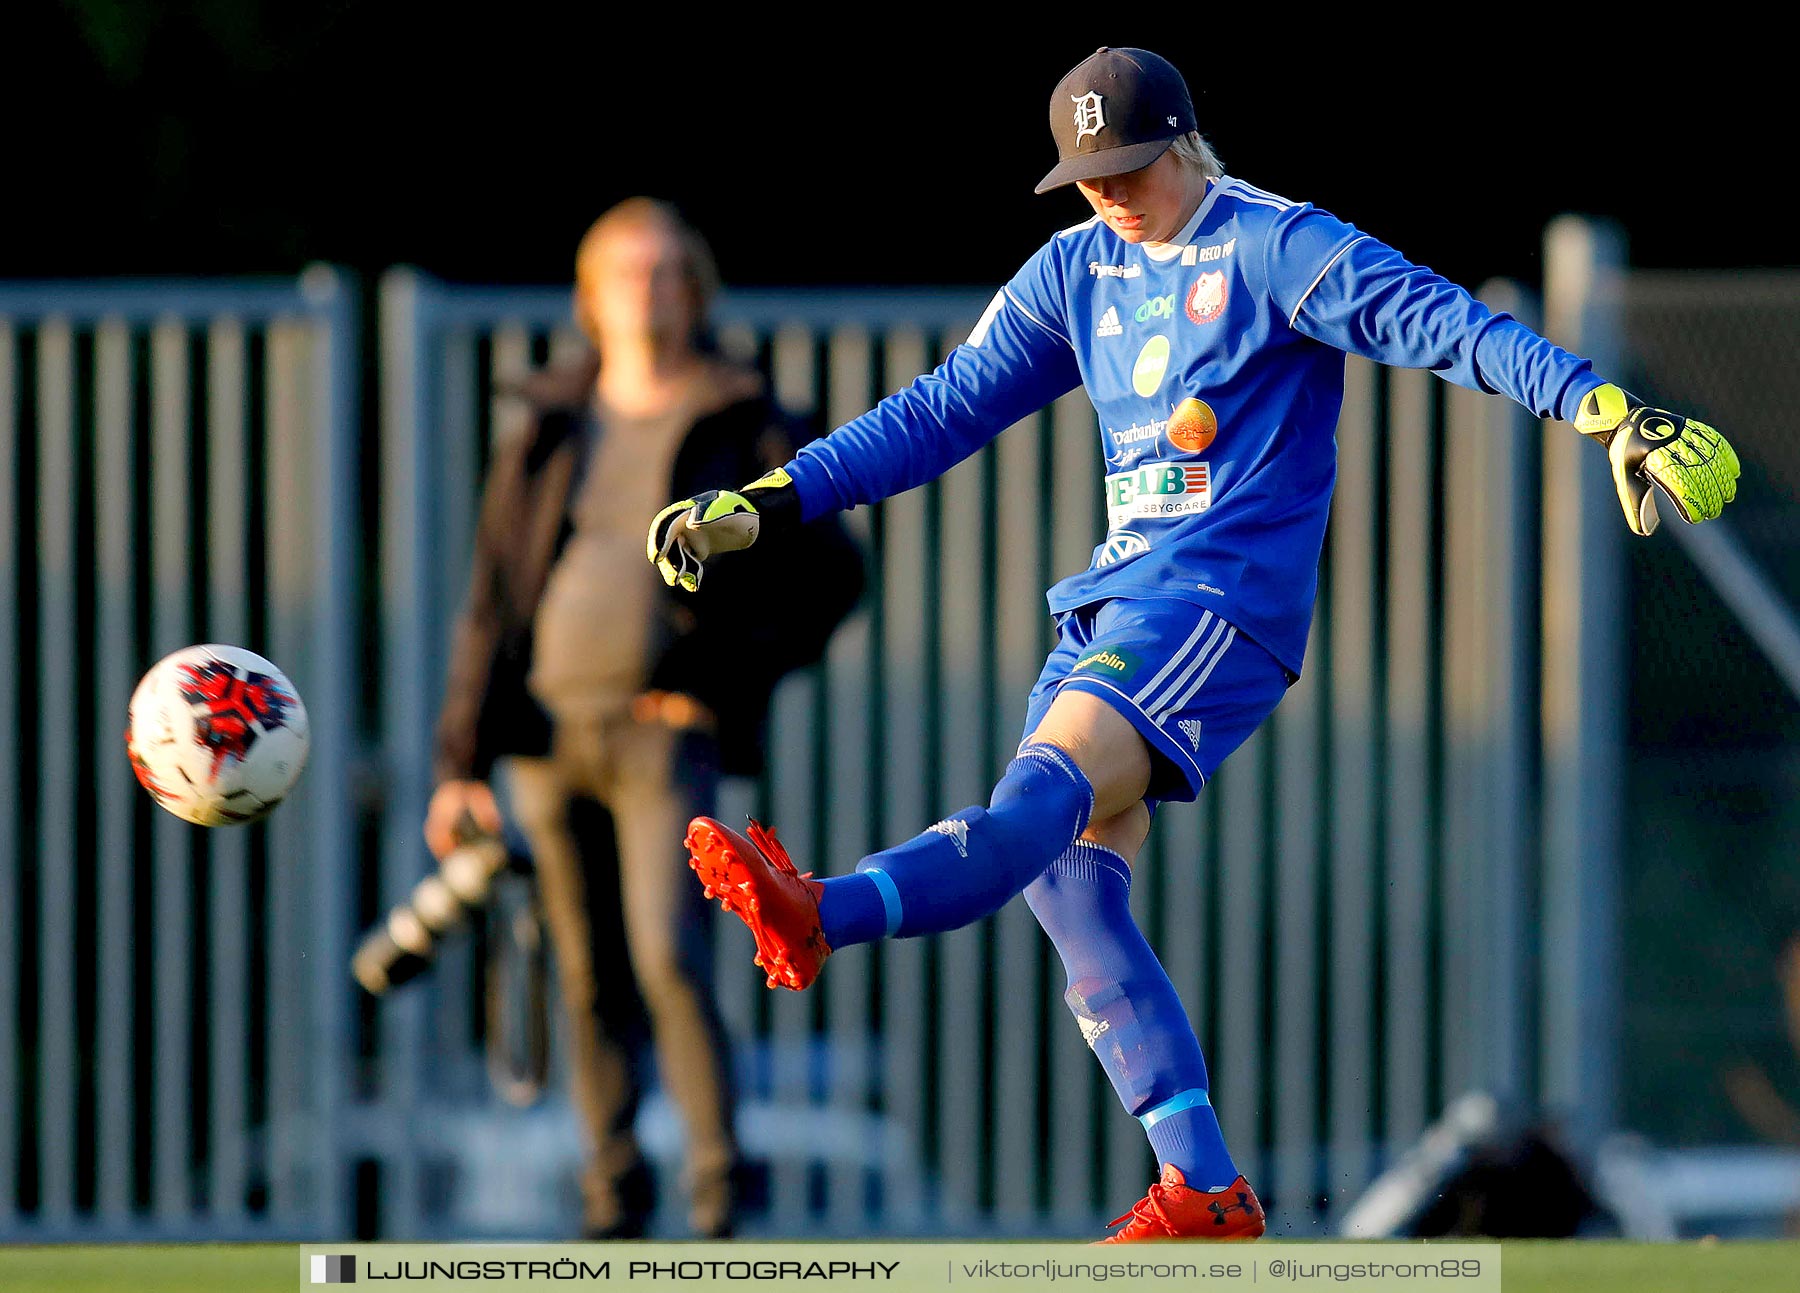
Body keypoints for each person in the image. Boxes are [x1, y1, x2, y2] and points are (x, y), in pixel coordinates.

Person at [648, 48, 1741, 1241]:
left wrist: (1603, 407)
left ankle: (825, 911)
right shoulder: (1078, 267)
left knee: (1038, 801)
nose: (1106, 192)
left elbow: (1443, 322)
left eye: (1124, 166)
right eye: (1084, 174)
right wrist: (775, 496)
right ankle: (1203, 1187)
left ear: (1180, 140)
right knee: (1067, 882)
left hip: (1218, 607)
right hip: (1116, 606)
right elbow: (942, 410)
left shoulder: (1274, 244)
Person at [428, 198, 862, 1238]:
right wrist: (460, 760)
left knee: (670, 957)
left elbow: (833, 576)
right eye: (627, 270)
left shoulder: (749, 416)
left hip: (663, 736)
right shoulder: (546, 420)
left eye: (668, 269)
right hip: (544, 735)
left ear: (696, 290)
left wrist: (719, 678)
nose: (648, 287)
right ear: (588, 296)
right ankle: (611, 1200)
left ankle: (720, 1201)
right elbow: (493, 595)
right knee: (586, 975)